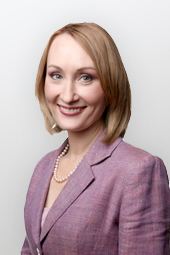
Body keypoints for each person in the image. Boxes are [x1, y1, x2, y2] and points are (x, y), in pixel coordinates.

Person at [21, 22, 170, 255]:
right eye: (56, 75)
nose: (68, 95)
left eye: (86, 78)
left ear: (110, 85)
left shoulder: (139, 170)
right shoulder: (44, 167)